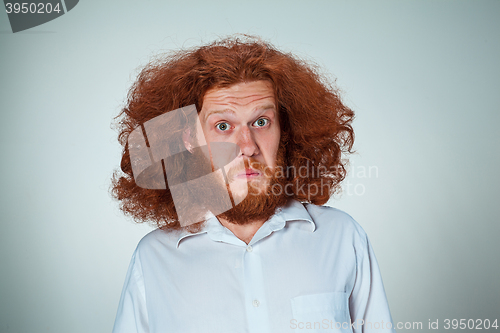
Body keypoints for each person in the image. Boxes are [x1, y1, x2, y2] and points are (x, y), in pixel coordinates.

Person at [111, 36, 396, 333]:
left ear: (284, 129)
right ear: (190, 141)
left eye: (261, 122)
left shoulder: (342, 238)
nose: (247, 147)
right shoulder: (153, 259)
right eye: (223, 126)